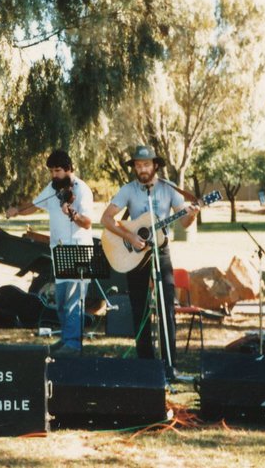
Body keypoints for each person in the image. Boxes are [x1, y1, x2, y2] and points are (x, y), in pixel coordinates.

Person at [100, 145, 199, 378]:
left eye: (146, 165)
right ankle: (145, 365)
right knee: (139, 308)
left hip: (161, 253)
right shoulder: (128, 190)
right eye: (138, 165)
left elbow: (184, 223)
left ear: (155, 165)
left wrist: (192, 214)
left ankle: (169, 365)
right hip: (136, 254)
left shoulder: (170, 190)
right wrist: (130, 236)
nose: (142, 169)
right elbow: (106, 218)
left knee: (166, 309)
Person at [5, 150, 94, 356]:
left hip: (77, 248)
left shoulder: (82, 190)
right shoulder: (52, 188)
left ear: (69, 169)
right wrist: (17, 211)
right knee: (62, 301)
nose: (55, 175)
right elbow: (34, 206)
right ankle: (66, 339)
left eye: (59, 170)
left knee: (73, 300)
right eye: (52, 171)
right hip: (60, 249)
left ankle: (73, 344)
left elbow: (87, 223)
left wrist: (72, 213)